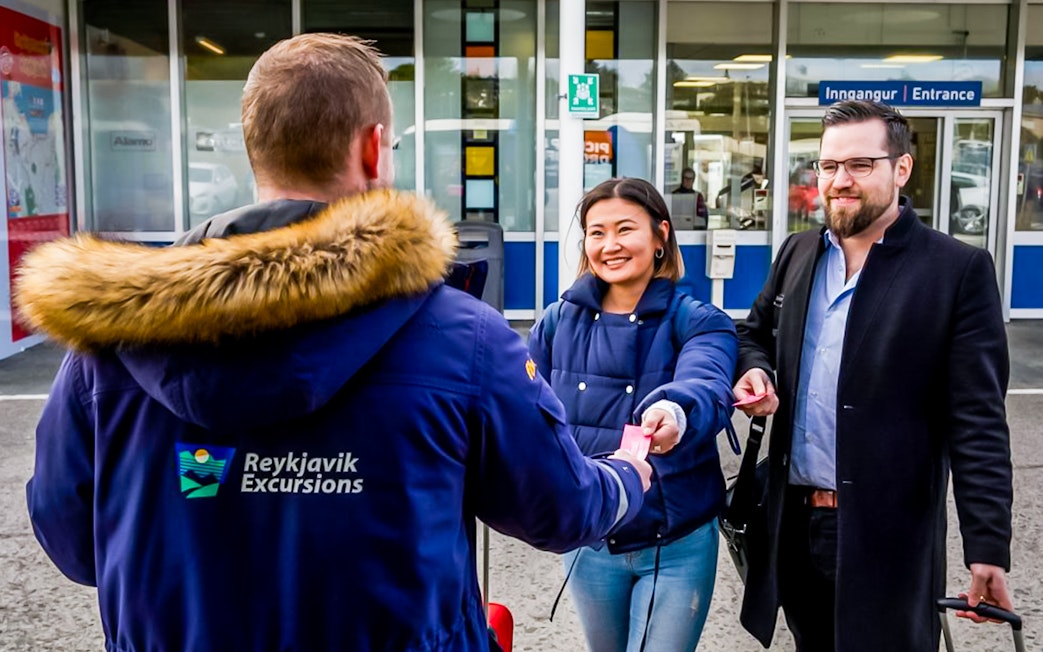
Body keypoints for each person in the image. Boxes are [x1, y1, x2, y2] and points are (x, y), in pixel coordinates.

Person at [14, 34, 654, 652]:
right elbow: (561, 510)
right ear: (375, 150)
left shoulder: (109, 339)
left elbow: (74, 541)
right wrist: (627, 474)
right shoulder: (464, 338)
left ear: (255, 150)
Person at [731, 99, 1014, 651]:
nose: (840, 181)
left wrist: (987, 546)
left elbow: (978, 423)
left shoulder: (955, 270)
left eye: (860, 165)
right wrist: (757, 372)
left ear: (900, 169)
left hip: (888, 537)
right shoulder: (799, 251)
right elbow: (753, 334)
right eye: (829, 166)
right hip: (795, 524)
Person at [529, 177, 739, 651]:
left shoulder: (700, 319)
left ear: (660, 235)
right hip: (591, 539)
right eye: (596, 232)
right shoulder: (556, 321)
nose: (610, 245)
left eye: (625, 229)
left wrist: (674, 412)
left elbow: (706, 383)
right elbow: (525, 409)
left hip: (676, 542)